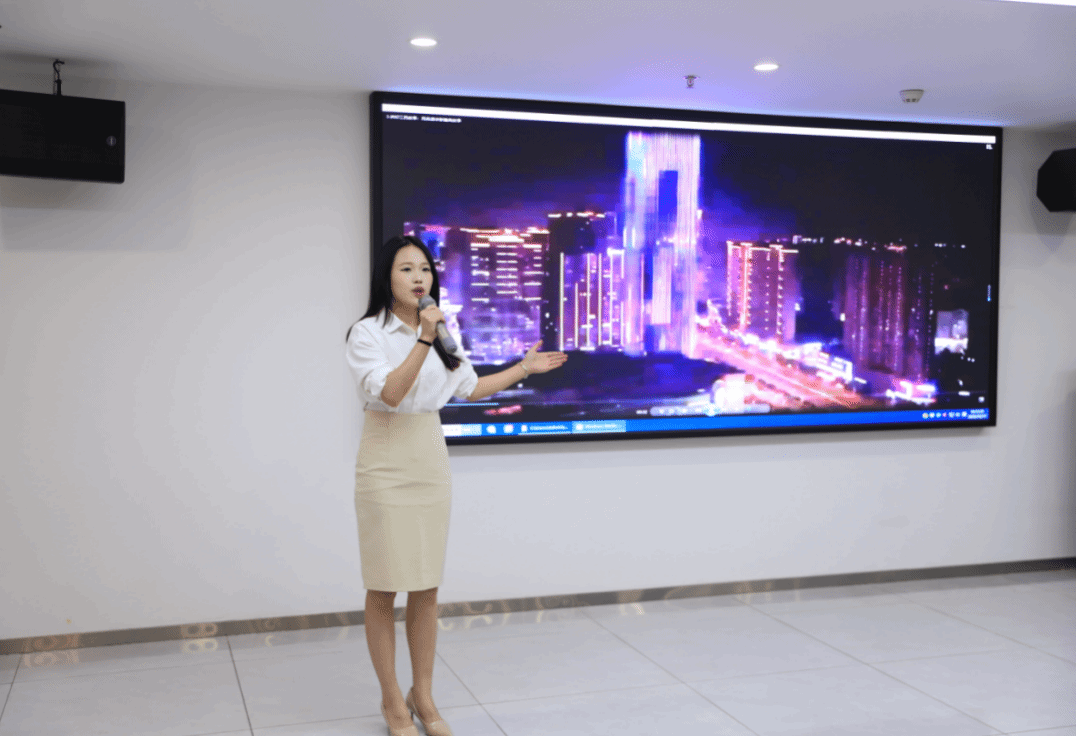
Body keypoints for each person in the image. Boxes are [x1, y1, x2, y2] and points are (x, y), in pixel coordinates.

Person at [345, 235, 567, 736]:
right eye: (406, 269)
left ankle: (422, 694)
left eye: (424, 269)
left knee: (425, 585)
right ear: (386, 277)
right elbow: (392, 393)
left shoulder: (444, 330)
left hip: (429, 455)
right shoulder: (366, 333)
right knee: (384, 585)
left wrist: (523, 368)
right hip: (385, 458)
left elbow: (467, 387)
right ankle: (391, 702)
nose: (418, 277)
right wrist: (423, 339)